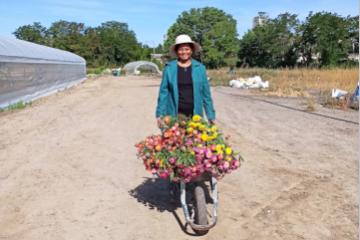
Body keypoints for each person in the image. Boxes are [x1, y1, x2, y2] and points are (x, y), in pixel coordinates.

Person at [155, 34, 216, 125]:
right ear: (176, 51)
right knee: (175, 139)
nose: (184, 52)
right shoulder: (169, 68)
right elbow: (163, 93)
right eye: (181, 49)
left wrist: (210, 116)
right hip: (175, 115)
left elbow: (206, 94)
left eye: (187, 49)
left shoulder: (200, 68)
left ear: (191, 50)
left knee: (195, 139)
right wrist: (160, 114)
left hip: (195, 115)